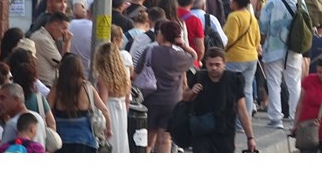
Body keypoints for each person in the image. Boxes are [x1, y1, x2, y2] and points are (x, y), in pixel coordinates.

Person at [134, 20, 198, 152]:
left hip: (151, 99)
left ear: (162, 35)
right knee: (165, 139)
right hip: (172, 101)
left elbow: (135, 73)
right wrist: (184, 45)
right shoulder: (180, 56)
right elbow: (194, 56)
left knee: (148, 139)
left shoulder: (150, 51)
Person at [182, 48, 256, 153]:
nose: (214, 68)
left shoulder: (233, 80)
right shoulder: (199, 77)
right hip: (202, 131)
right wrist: (192, 92)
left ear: (224, 63)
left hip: (225, 132)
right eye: (210, 64)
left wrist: (250, 137)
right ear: (205, 63)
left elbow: (242, 110)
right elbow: (184, 97)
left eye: (217, 64)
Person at [259, 0, 303, 129]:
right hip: (295, 47)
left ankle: (276, 117)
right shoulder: (299, 0)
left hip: (274, 48)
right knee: (294, 82)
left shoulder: (271, 3)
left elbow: (263, 27)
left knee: (274, 82)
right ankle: (295, 116)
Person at [47, 54, 111, 153]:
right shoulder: (88, 88)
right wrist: (108, 129)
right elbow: (104, 110)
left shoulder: (56, 90)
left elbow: (46, 110)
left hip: (62, 140)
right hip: (86, 140)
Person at [223, 0, 261, 125]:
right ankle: (245, 121)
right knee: (247, 90)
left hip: (235, 57)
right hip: (251, 57)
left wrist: (222, 50)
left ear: (236, 3)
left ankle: (235, 122)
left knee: (233, 91)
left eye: (232, 0)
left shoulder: (234, 17)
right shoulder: (252, 18)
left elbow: (229, 38)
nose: (230, 2)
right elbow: (257, 39)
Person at [93, 41, 131, 153]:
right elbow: (128, 99)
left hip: (110, 110)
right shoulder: (124, 75)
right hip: (122, 110)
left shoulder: (103, 78)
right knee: (121, 140)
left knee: (109, 143)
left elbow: (103, 101)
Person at [30, 11, 72, 88]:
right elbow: (63, 65)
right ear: (54, 25)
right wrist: (67, 43)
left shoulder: (44, 37)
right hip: (46, 85)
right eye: (64, 28)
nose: (66, 33)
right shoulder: (43, 39)